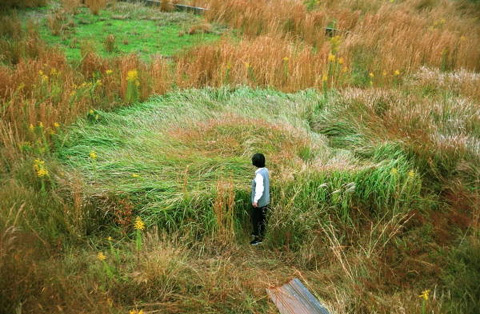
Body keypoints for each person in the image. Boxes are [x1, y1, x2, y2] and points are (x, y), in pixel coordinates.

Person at [250, 153, 270, 246]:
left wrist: (255, 201)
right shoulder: (265, 170)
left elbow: (259, 189)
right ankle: (260, 234)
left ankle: (258, 238)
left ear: (254, 163)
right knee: (262, 219)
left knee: (256, 220)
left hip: (259, 202)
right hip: (265, 200)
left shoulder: (259, 175)